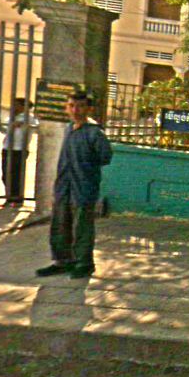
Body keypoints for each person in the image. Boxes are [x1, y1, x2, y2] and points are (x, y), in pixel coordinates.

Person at [36, 90, 112, 279]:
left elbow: (105, 157)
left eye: (80, 106)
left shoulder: (94, 133)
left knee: (82, 227)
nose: (75, 110)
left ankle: (84, 263)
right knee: (60, 223)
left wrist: (85, 168)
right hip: (64, 186)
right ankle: (62, 261)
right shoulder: (69, 129)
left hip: (83, 187)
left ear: (89, 109)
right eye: (71, 106)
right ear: (66, 108)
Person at [0, 97, 38, 205]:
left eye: (16, 105)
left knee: (16, 176)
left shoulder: (29, 118)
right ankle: (9, 198)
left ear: (23, 107)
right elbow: (5, 131)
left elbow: (36, 126)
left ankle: (16, 199)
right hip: (7, 148)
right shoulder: (10, 118)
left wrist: (23, 124)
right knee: (5, 175)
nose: (12, 107)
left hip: (20, 149)